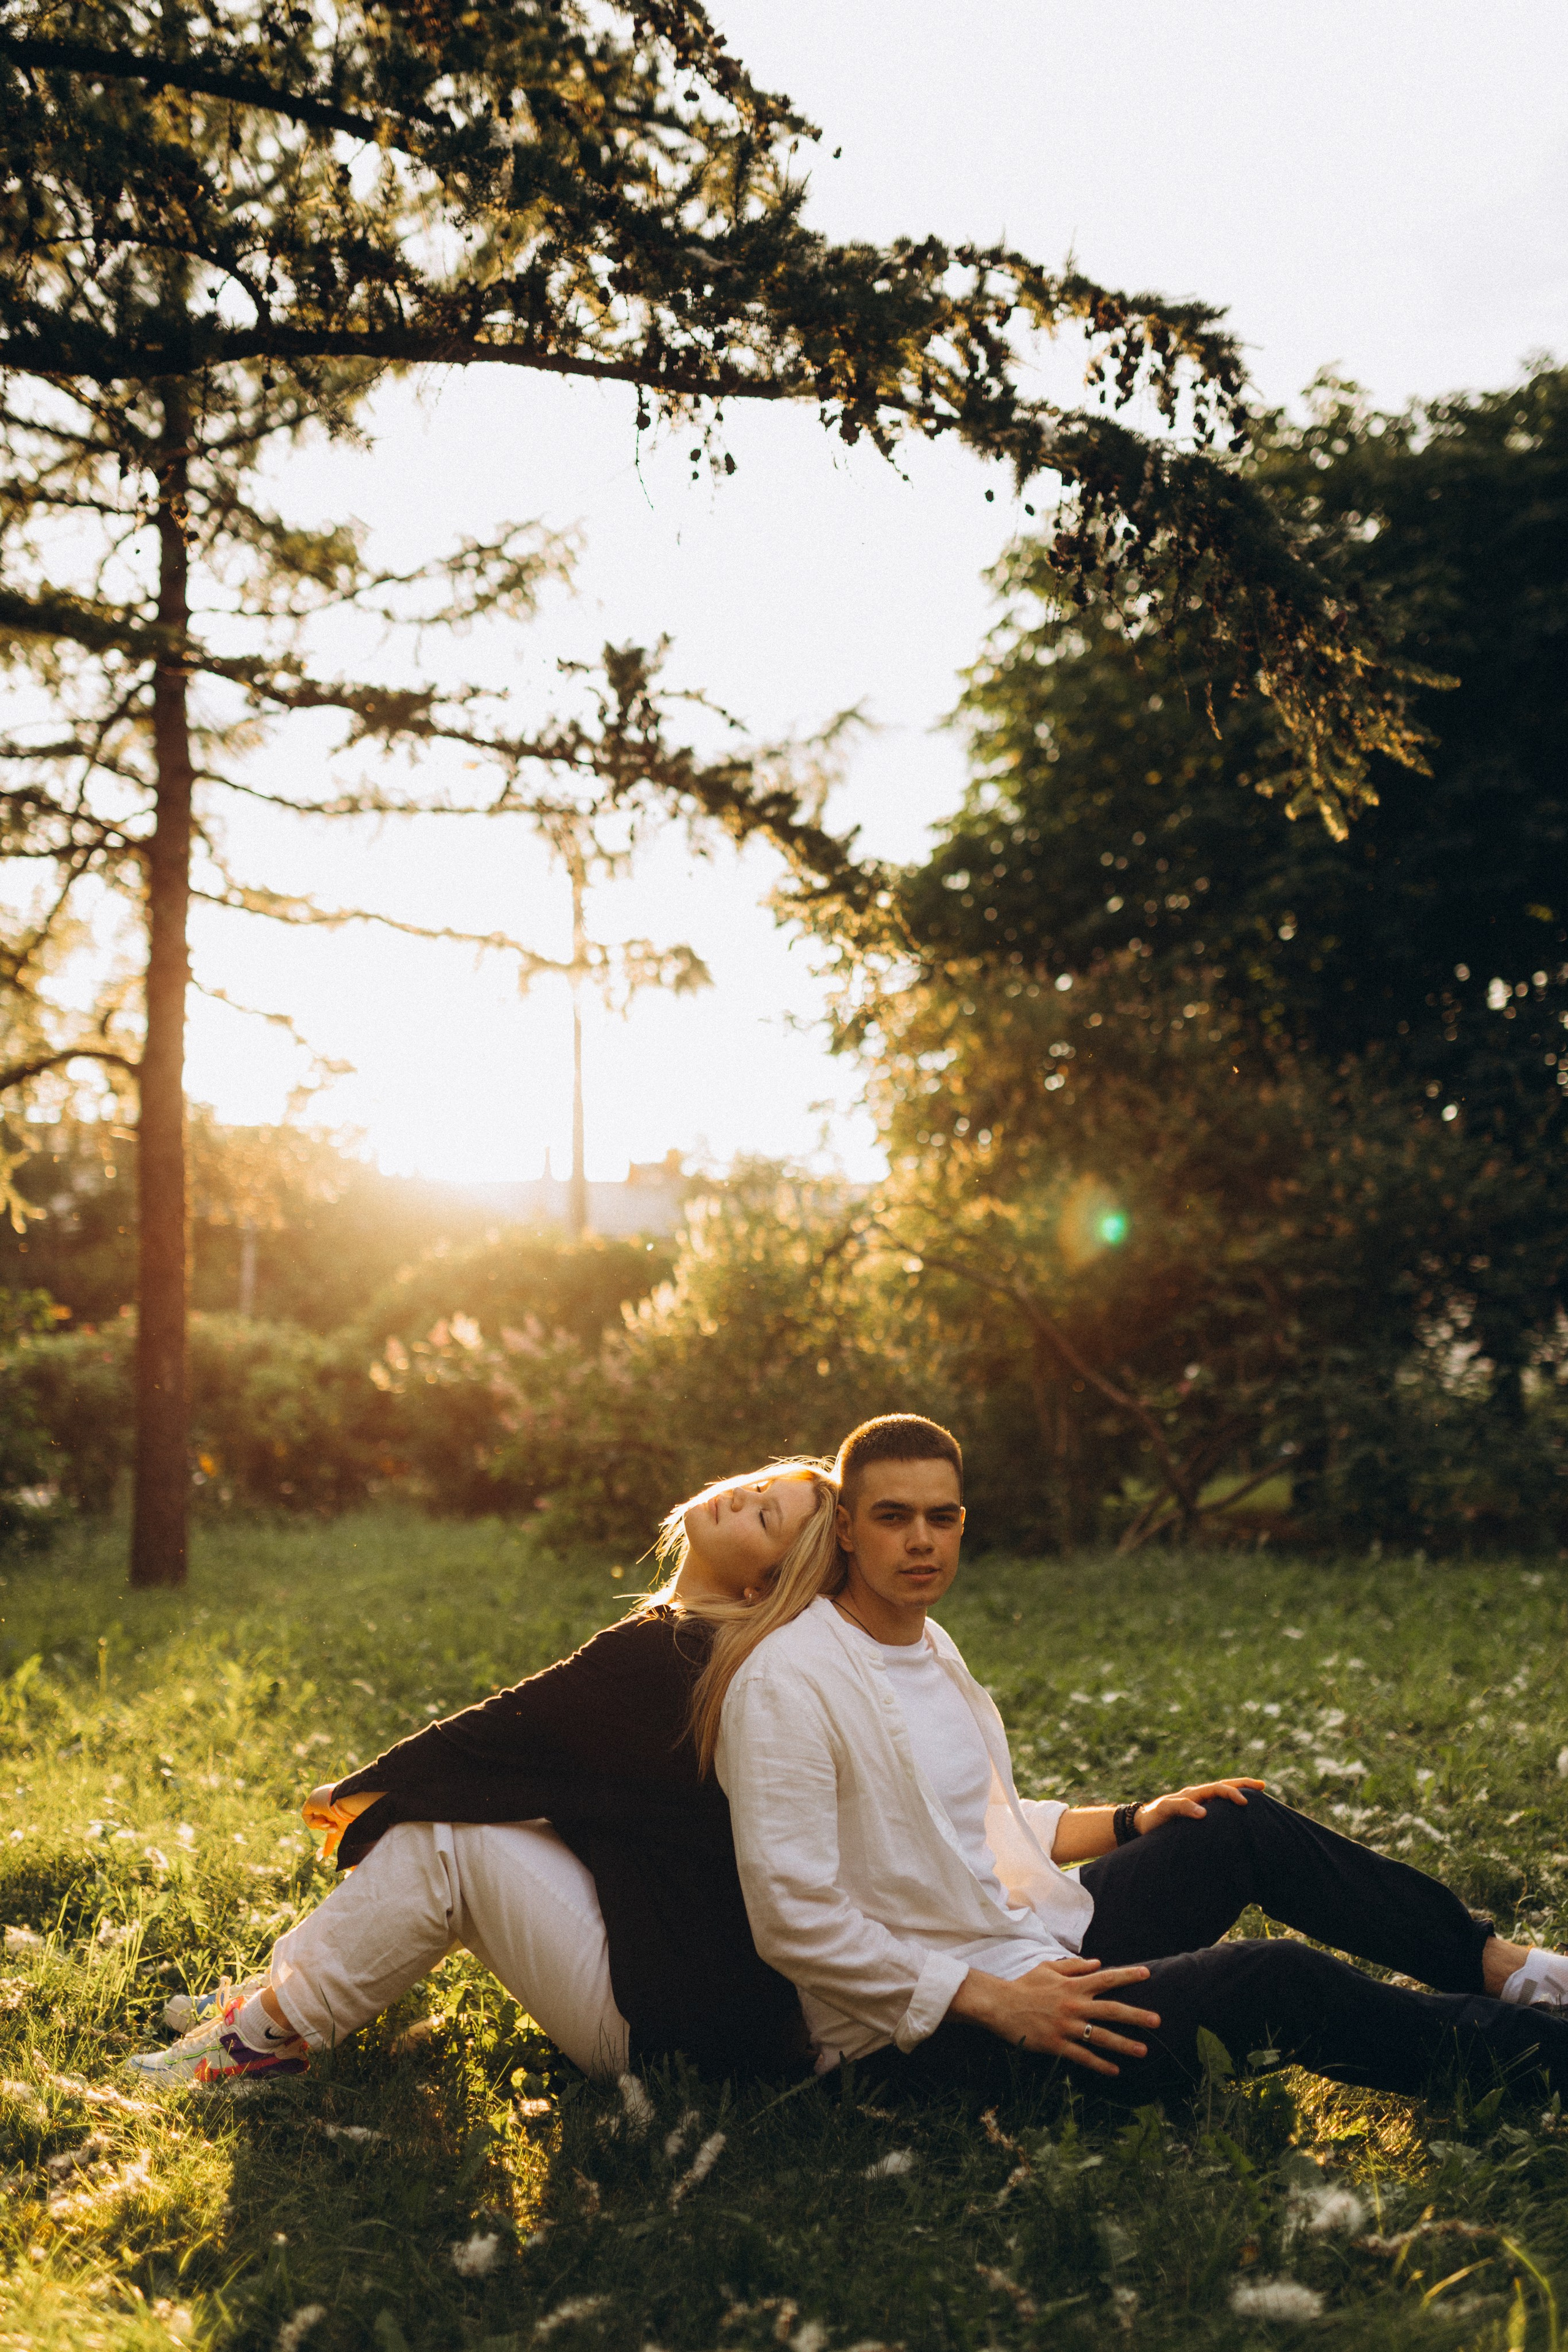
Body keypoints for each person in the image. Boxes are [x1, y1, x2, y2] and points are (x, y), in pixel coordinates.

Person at [716, 1414, 1568, 2111]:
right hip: (930, 2045)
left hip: (1031, 1951)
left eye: (941, 1518)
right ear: (845, 1528)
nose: (920, 1541)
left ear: (962, 1524)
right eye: (892, 1517)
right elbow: (794, 1918)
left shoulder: (927, 1644)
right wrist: (995, 2000)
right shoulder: (788, 1681)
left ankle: (1503, 1969)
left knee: (1233, 1821)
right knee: (1277, 1980)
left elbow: (964, 1816)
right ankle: (1547, 2060)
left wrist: (1132, 1821)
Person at [132, 1458, 842, 2088]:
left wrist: (357, 1793)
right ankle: (278, 1997)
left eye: (764, 1516)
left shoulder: (676, 1655)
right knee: (469, 1818)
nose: (740, 1497)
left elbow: (502, 1734)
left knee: (448, 1837)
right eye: (757, 1485)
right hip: (711, 2026)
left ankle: (265, 2038)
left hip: (671, 2040)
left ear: (760, 1589)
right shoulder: (704, 1651)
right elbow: (539, 1773)